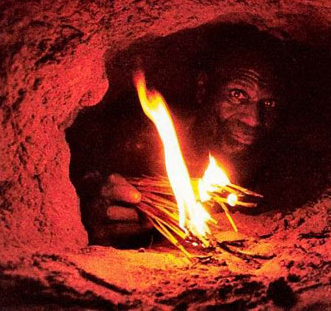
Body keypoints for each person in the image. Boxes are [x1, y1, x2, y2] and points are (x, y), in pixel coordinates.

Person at [71, 28, 292, 246]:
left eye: (269, 103)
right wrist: (94, 210)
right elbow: (85, 185)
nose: (253, 120)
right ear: (203, 88)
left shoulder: (280, 164)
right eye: (237, 94)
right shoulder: (138, 141)